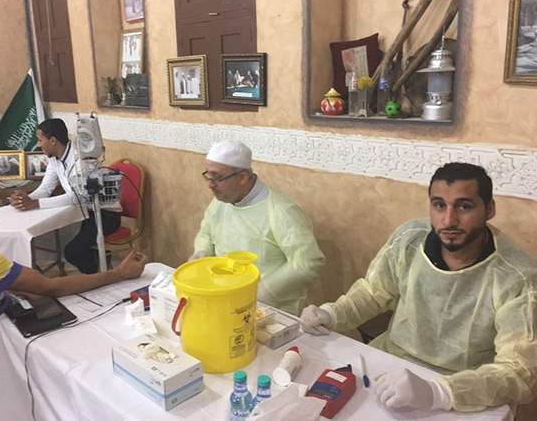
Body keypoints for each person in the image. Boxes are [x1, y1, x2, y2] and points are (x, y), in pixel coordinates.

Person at [300, 162, 537, 413]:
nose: (449, 220)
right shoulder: (410, 239)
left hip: (467, 387)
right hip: (391, 361)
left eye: (464, 206)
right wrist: (333, 313)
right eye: (439, 205)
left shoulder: (517, 277)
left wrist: (439, 392)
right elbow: (373, 292)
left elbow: (519, 371)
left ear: (489, 209)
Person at [0, 159, 148, 364]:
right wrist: (120, 273)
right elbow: (50, 286)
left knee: (51, 298)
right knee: (102, 331)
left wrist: (30, 289)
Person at [190, 140, 325, 315]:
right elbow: (206, 233)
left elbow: (308, 262)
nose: (210, 185)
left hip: (269, 312)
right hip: (223, 300)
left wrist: (265, 292)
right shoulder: (222, 201)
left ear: (242, 178)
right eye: (208, 176)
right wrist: (202, 252)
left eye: (217, 178)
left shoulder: (280, 209)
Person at [9, 118, 121, 274]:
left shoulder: (80, 159)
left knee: (73, 252)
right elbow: (46, 188)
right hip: (84, 212)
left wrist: (34, 203)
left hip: (105, 215)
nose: (38, 145)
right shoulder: (54, 159)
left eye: (40, 140)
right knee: (71, 247)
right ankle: (96, 264)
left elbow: (77, 196)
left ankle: (95, 278)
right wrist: (25, 199)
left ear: (53, 140)